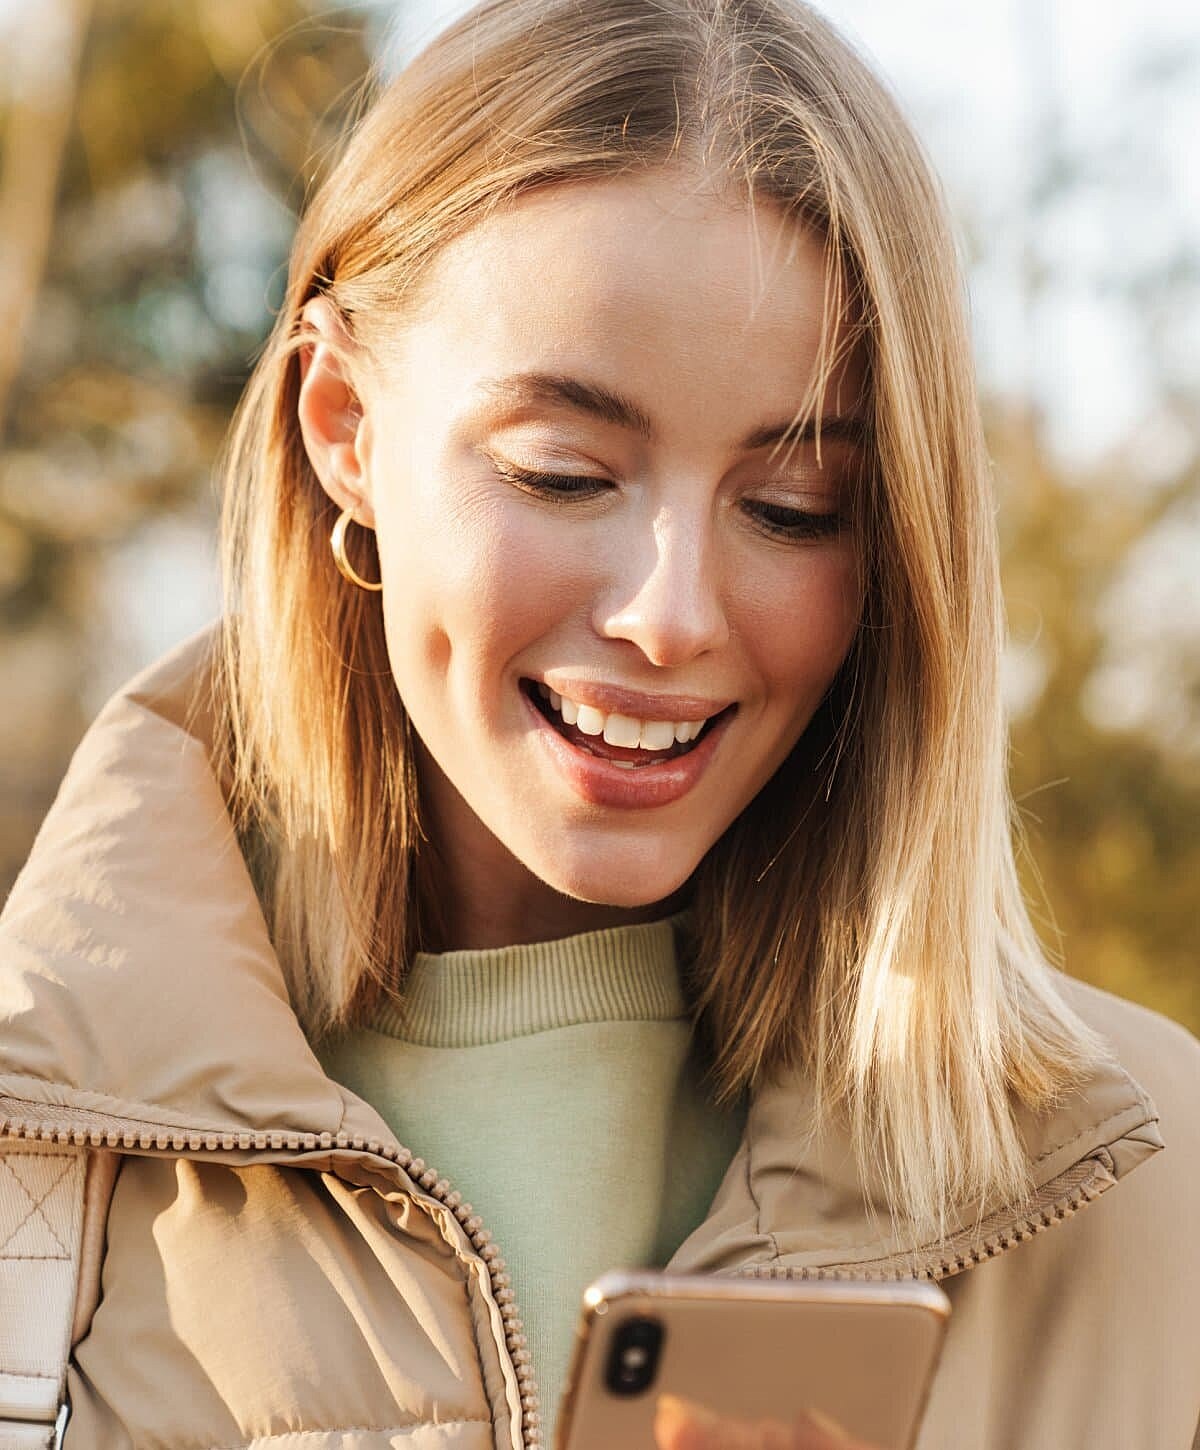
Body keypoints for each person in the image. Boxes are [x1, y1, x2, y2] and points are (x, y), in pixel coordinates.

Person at [1, 1, 1197, 1447]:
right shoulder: (31, 1141)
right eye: (562, 474)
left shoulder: (1149, 1180)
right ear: (344, 426)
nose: (672, 614)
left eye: (793, 507)